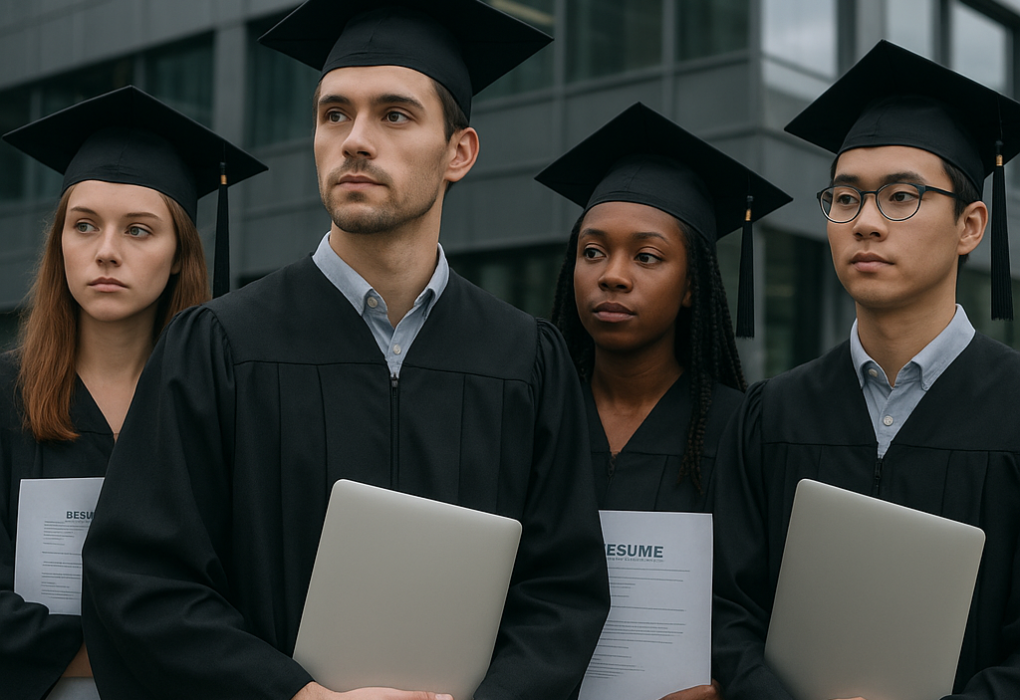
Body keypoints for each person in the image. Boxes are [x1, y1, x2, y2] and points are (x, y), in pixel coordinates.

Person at [81, 3, 611, 700]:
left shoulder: (526, 360)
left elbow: (563, 594)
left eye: (394, 115)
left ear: (460, 152)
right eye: (335, 114)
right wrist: (294, 696)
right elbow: (141, 585)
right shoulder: (219, 346)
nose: (355, 140)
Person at [711, 40, 1020, 700]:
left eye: (902, 197)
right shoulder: (773, 413)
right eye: (845, 198)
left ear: (971, 226)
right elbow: (730, 615)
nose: (867, 223)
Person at [0, 86, 266, 700]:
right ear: (58, 242)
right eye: (84, 225)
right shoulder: (5, 395)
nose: (107, 252)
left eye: (140, 230)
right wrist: (148, 650)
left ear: (179, 256)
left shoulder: (226, 403)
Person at [539, 103, 790, 700]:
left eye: (646, 257)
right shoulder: (535, 416)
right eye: (592, 252)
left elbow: (761, 608)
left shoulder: (739, 430)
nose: (612, 275)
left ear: (691, 286)